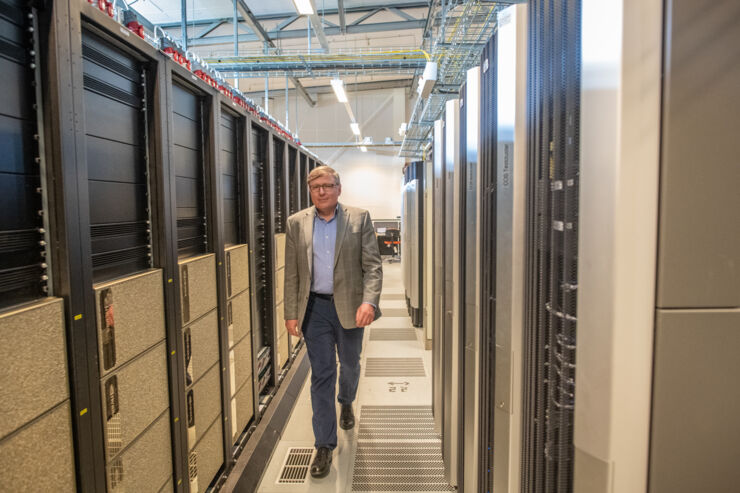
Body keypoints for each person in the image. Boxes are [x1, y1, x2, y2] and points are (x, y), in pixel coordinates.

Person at [284, 165, 383, 479]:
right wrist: (290, 312)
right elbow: (292, 273)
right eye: (316, 188)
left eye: (327, 186)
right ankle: (324, 445)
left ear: (338, 189)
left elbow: (373, 265)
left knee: (350, 364)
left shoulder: (358, 218)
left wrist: (369, 301)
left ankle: (347, 400)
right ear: (310, 191)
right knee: (321, 375)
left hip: (351, 307)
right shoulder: (296, 223)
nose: (322, 192)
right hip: (315, 310)